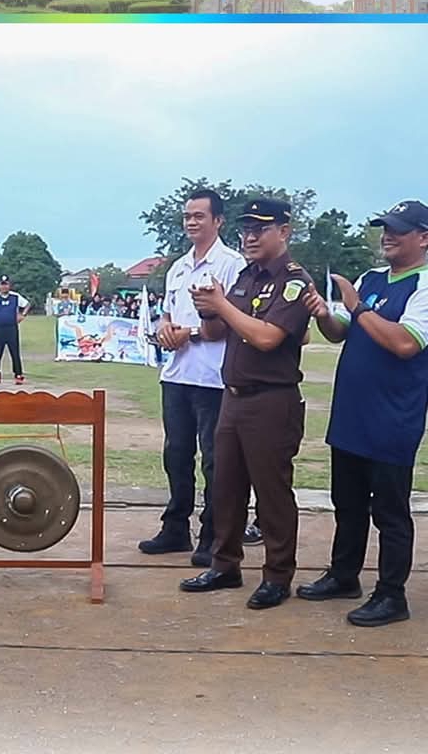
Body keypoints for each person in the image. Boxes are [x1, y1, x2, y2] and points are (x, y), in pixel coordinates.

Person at [297, 199, 428, 627]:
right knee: (347, 503)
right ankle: (343, 574)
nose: (387, 235)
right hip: (352, 414)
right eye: (384, 227)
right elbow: (340, 333)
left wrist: (357, 307)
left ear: (423, 238)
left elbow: (405, 343)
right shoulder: (371, 278)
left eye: (398, 229)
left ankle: (392, 595)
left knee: (390, 511)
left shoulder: (423, 285)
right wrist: (323, 312)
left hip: (393, 417)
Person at [180, 198, 313, 610]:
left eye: (261, 228)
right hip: (234, 398)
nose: (250, 237)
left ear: (285, 232)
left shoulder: (293, 280)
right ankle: (225, 565)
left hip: (271, 401)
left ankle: (277, 574)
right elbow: (221, 331)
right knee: (226, 487)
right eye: (246, 230)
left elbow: (268, 337)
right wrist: (207, 310)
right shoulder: (245, 276)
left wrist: (221, 305)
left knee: (271, 493)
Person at [138, 190, 246, 567]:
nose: (191, 222)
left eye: (200, 216)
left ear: (218, 221)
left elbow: (234, 320)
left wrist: (193, 334)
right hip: (178, 373)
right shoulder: (178, 268)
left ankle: (213, 533)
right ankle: (175, 527)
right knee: (176, 454)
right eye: (187, 216)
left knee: (216, 460)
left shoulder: (232, 264)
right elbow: (168, 314)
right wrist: (166, 328)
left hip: (214, 376)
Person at [0, 274, 30, 385]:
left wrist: (22, 315)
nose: (4, 287)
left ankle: (18, 375)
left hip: (11, 328)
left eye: (6, 284)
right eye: (2, 284)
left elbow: (27, 304)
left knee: (14, 352)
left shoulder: (15, 296)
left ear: (9, 285)